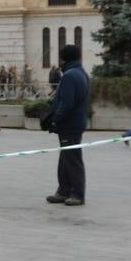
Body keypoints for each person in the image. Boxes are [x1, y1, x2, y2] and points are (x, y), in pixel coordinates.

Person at [45, 44, 90, 206]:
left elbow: (67, 102)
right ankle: (63, 190)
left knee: (72, 158)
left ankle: (77, 193)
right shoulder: (81, 72)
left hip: (69, 124)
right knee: (66, 157)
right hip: (75, 122)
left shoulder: (70, 75)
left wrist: (56, 119)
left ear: (63, 58)